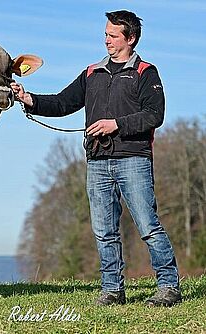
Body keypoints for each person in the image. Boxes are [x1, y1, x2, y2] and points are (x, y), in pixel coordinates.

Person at [11, 10, 182, 306]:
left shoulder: (145, 73)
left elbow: (155, 115)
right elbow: (64, 102)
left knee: (148, 225)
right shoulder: (92, 73)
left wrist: (115, 124)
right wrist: (30, 99)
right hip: (97, 161)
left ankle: (169, 287)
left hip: (134, 160)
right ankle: (112, 290)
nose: (107, 40)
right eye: (105, 34)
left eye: (113, 36)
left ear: (131, 38)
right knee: (104, 230)